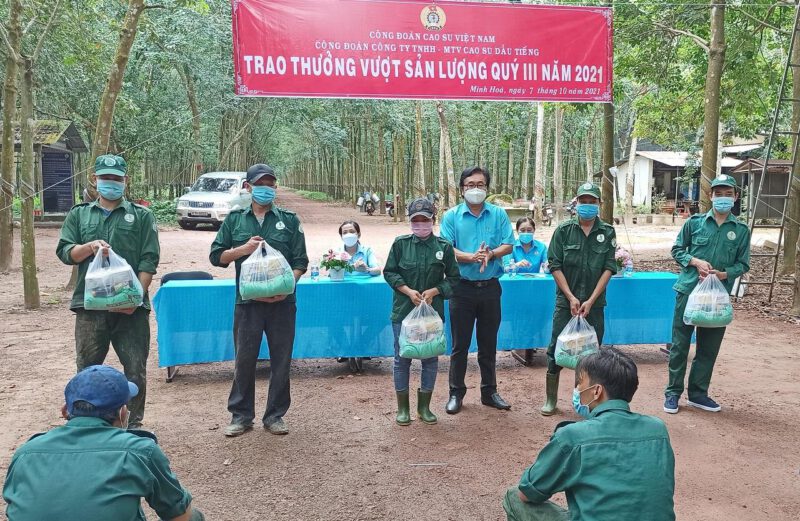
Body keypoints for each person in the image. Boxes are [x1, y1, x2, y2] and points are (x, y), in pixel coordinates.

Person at [3, 365, 203, 521]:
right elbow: (180, 516)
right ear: (123, 413)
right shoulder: (140, 451)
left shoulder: (25, 453)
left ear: (65, 410)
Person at [503, 348, 675, 521]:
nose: (577, 388)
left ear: (597, 391)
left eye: (580, 382)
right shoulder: (658, 429)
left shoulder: (572, 437)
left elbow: (527, 492)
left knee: (513, 497)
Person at [56, 154, 160, 429]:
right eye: (105, 178)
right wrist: (89, 247)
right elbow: (66, 252)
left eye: (116, 179)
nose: (110, 183)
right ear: (95, 180)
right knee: (87, 369)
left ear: (125, 181)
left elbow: (149, 259)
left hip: (131, 310)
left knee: (135, 368)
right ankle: (86, 425)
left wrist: (135, 297)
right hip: (89, 308)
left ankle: (133, 425)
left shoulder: (141, 215)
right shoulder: (80, 214)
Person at [209, 163, 308, 437]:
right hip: (247, 304)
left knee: (281, 360)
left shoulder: (289, 220)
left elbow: (301, 261)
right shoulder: (235, 220)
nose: (266, 188)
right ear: (248, 187)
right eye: (260, 184)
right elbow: (216, 257)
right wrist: (243, 249)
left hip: (283, 305)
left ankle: (275, 415)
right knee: (244, 360)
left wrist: (288, 287)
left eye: (270, 184)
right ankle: (241, 416)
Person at [664, 174, 750, 414]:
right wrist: (694, 261)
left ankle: (698, 394)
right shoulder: (695, 223)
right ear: (711, 196)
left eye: (727, 194)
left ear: (735, 197)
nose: (722, 198)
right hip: (689, 291)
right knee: (680, 344)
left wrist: (724, 274)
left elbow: (743, 264)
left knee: (708, 348)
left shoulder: (740, 230)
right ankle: (672, 394)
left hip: (716, 299)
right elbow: (677, 249)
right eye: (718, 194)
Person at [440, 166, 515, 414]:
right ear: (462, 189)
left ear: (487, 189)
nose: (475, 189)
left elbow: (508, 244)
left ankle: (489, 391)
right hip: (461, 289)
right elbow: (447, 249)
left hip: (491, 288)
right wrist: (472, 257)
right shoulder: (451, 216)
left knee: (488, 343)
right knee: (460, 345)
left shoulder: (498, 214)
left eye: (480, 185)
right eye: (470, 184)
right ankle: (455, 393)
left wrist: (491, 253)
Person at [541, 182, 617, 416]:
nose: (587, 205)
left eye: (592, 201)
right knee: (557, 349)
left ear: (599, 204)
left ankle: (585, 400)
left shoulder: (607, 232)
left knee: (591, 353)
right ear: (576, 204)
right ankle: (551, 400)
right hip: (567, 304)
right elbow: (555, 265)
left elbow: (608, 267)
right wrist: (571, 297)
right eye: (583, 201)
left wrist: (591, 300)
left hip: (594, 306)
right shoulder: (563, 231)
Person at [383, 198, 461, 425]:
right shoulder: (400, 244)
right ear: (410, 222)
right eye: (415, 220)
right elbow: (389, 272)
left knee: (430, 358)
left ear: (432, 220)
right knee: (402, 358)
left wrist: (436, 291)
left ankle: (424, 408)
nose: (420, 224)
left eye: (424, 220)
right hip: (404, 312)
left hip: (431, 314)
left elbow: (454, 279)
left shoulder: (444, 247)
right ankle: (403, 409)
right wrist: (408, 291)